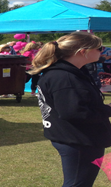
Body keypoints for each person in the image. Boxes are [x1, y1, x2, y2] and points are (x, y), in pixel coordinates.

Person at [29, 32, 111, 187]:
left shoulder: (69, 73)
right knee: (77, 184)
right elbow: (74, 112)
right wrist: (107, 110)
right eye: (99, 48)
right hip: (79, 139)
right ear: (83, 51)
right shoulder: (64, 77)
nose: (102, 51)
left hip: (77, 137)